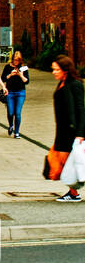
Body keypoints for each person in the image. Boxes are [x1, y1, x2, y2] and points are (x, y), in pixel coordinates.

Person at [50, 55, 85, 202]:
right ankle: (73, 192)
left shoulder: (75, 84)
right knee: (63, 160)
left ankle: (73, 193)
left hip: (72, 130)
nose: (53, 72)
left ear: (65, 70)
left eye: (56, 69)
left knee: (68, 161)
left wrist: (81, 133)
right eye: (53, 69)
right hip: (62, 129)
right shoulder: (62, 83)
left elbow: (81, 109)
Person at [1, 51, 29, 138]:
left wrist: (21, 75)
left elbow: (27, 81)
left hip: (20, 92)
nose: (16, 62)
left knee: (17, 113)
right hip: (10, 92)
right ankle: (10, 125)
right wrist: (10, 75)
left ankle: (16, 132)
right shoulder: (7, 67)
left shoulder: (23, 68)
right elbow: (3, 79)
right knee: (10, 112)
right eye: (14, 60)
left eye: (18, 60)